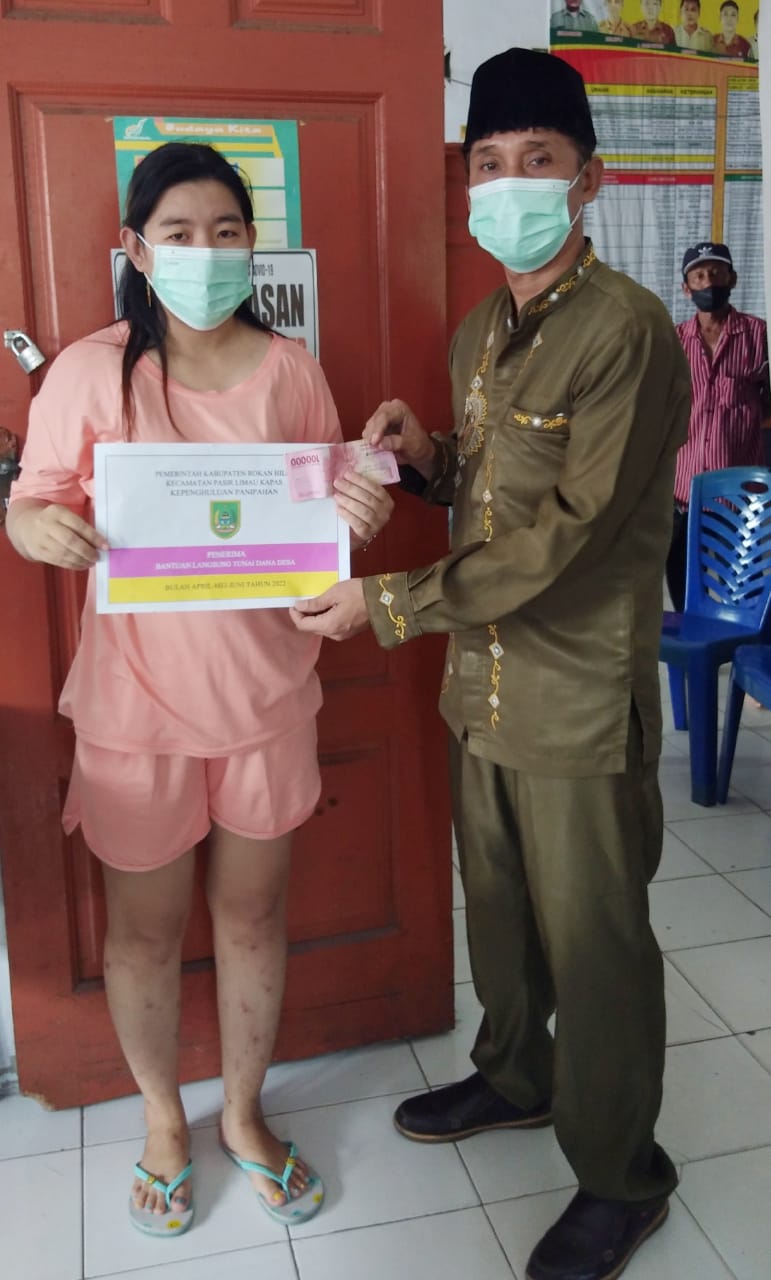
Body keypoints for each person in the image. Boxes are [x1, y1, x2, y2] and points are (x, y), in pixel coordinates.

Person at [291, 46, 691, 1280]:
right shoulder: (481, 329)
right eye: (490, 164)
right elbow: (491, 486)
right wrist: (425, 456)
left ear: (588, 180)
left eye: (538, 161)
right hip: (485, 685)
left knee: (597, 942)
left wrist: (390, 602)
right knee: (503, 911)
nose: (509, 184)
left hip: (576, 693)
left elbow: (570, 534)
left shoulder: (628, 332)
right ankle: (517, 1073)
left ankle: (623, 1176)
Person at [5, 142, 392, 1238]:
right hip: (134, 707)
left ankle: (246, 1116)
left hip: (266, 696)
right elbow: (33, 501)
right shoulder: (91, 371)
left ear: (252, 247)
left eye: (227, 231)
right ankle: (166, 1122)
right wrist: (34, 524)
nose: (206, 251)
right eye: (179, 232)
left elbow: (325, 513)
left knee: (255, 913)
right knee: (142, 931)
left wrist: (359, 513)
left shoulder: (291, 369)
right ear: (136, 248)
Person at [666, 241, 769, 612]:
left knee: (742, 594)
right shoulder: (674, 341)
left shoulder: (760, 336)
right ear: (686, 288)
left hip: (741, 497)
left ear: (732, 279)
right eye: (698, 276)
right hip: (684, 494)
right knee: (683, 589)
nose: (708, 282)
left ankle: (739, 642)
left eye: (716, 273)